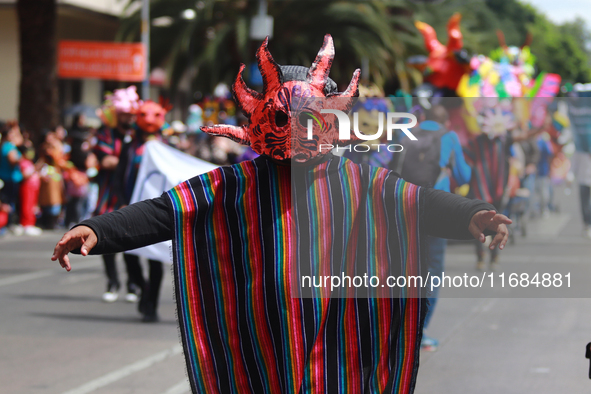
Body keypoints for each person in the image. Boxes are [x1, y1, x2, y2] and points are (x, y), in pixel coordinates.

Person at [53, 35, 511, 393]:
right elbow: (164, 211)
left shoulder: (359, 182)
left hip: (337, 342)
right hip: (257, 341)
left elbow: (420, 202)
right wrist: (96, 229)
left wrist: (474, 215)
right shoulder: (232, 184)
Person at [392, 104, 472, 352]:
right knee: (432, 270)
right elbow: (464, 174)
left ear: (424, 118)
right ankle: (420, 331)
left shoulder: (407, 133)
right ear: (446, 122)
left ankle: (397, 327)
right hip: (436, 212)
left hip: (403, 208)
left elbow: (390, 168)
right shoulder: (449, 137)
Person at [93, 87, 144, 303]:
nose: (129, 117)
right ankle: (112, 282)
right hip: (109, 194)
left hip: (132, 194)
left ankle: (133, 284)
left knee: (131, 240)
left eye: (132, 114)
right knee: (105, 240)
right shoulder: (105, 133)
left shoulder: (139, 134)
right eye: (125, 113)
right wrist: (129, 161)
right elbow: (106, 161)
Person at [0, 120, 23, 230]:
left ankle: (8, 223)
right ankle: (7, 224)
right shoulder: (8, 146)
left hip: (10, 178)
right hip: (8, 178)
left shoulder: (7, 145)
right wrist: (21, 158)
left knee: (10, 202)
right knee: (8, 202)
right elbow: (12, 160)